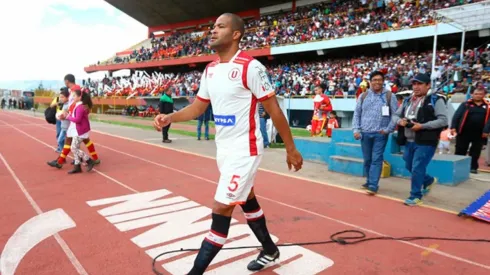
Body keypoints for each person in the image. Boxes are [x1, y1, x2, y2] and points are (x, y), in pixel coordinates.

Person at [153, 13, 303, 275]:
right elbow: (198, 108)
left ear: (236, 34)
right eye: (213, 27)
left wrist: (291, 148)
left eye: (220, 27)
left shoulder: (251, 67)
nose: (213, 31)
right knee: (247, 200)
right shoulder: (210, 70)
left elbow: (275, 110)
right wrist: (170, 118)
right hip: (224, 150)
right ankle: (270, 250)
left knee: (221, 208)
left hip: (245, 150)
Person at [392, 73, 448, 206]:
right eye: (414, 84)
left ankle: (415, 195)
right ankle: (428, 180)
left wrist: (422, 126)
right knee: (408, 164)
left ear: (428, 85)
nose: (416, 87)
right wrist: (401, 121)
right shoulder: (407, 100)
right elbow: (395, 115)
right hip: (409, 140)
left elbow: (443, 120)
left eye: (419, 84)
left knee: (417, 167)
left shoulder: (436, 100)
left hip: (426, 141)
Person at [352, 71, 398, 195]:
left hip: (380, 133)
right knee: (367, 159)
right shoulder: (363, 96)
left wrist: (388, 129)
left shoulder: (390, 96)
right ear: (370, 81)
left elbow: (395, 115)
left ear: (383, 81)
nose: (377, 82)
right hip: (365, 133)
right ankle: (368, 181)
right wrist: (356, 129)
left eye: (379, 79)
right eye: (374, 79)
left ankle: (373, 185)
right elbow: (357, 113)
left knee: (376, 159)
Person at [47, 74, 100, 168]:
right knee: (80, 140)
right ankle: (69, 161)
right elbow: (74, 104)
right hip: (73, 117)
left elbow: (75, 104)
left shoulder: (75, 90)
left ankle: (65, 161)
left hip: (74, 119)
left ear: (67, 81)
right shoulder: (75, 90)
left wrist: (67, 114)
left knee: (72, 141)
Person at [450, 87, 490, 173]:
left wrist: (487, 130)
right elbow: (457, 116)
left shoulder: (488, 106)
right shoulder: (465, 104)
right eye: (476, 94)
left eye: (480, 94)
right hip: (463, 131)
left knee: (475, 151)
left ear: (484, 95)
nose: (478, 96)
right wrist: (453, 127)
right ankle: (458, 167)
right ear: (472, 94)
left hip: (480, 133)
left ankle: (473, 167)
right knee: (460, 150)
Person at [59, 89, 95, 174]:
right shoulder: (77, 105)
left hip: (80, 131)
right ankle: (77, 166)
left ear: (79, 97)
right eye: (72, 95)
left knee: (73, 148)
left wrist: (68, 117)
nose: (72, 97)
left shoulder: (80, 107)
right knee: (76, 147)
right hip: (77, 130)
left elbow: (77, 120)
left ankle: (89, 160)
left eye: (74, 95)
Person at [56, 88, 70, 155]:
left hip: (69, 128)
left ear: (67, 97)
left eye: (62, 97)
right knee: (59, 141)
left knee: (72, 145)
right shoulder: (64, 104)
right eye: (60, 97)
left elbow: (69, 115)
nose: (61, 98)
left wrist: (62, 116)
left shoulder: (69, 105)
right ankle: (63, 155)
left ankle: (79, 158)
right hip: (63, 127)